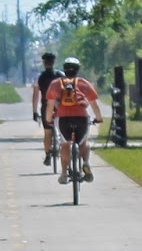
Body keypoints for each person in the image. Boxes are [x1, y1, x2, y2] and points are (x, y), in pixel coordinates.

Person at [45, 56, 103, 184]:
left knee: (65, 144)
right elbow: (94, 104)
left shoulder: (56, 84)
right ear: (78, 70)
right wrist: (98, 118)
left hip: (63, 118)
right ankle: (85, 163)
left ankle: (64, 174)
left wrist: (48, 120)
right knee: (83, 142)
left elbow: (50, 105)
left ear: (64, 69)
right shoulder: (83, 83)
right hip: (81, 117)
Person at [31, 51, 60, 166]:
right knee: (63, 130)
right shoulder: (60, 75)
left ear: (44, 63)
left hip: (46, 106)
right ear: (54, 62)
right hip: (59, 106)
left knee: (47, 132)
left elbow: (35, 95)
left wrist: (34, 111)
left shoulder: (39, 77)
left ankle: (48, 154)